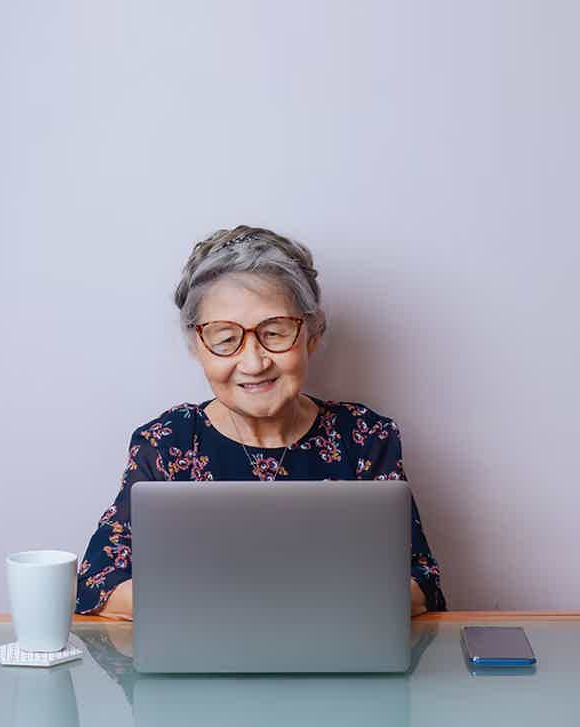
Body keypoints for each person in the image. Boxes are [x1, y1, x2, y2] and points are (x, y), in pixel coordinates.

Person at [76, 225, 447, 619]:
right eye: (224, 339)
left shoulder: (365, 437)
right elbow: (100, 584)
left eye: (275, 332)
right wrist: (250, 608)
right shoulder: (167, 442)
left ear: (312, 334)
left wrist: (268, 606)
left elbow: (420, 583)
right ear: (197, 347)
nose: (254, 363)